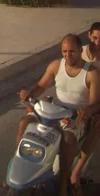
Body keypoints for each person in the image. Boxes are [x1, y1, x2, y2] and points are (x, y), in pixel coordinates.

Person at [14, 34, 100, 196]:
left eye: (72, 52)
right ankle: (19, 166)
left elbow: (95, 103)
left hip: (75, 117)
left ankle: (62, 183)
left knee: (67, 140)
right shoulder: (55, 65)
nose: (68, 55)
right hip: (52, 111)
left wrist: (88, 110)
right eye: (65, 51)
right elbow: (40, 86)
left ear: (80, 50)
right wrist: (29, 93)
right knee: (24, 122)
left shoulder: (91, 73)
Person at [70, 23, 100, 189]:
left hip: (96, 103)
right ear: (89, 36)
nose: (98, 43)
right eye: (95, 38)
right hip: (79, 100)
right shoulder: (81, 54)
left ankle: (78, 173)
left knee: (95, 124)